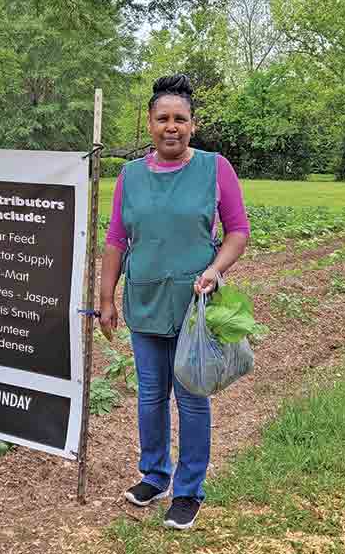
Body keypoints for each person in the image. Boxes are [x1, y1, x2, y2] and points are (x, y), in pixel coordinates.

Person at [99, 74, 250, 530]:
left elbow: (237, 231)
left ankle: (188, 491)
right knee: (150, 398)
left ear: (192, 125)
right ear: (149, 124)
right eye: (162, 118)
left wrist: (215, 270)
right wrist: (106, 296)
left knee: (191, 396)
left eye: (179, 119)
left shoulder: (214, 168)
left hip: (193, 308)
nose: (171, 126)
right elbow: (117, 240)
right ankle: (155, 475)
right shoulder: (129, 176)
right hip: (144, 302)